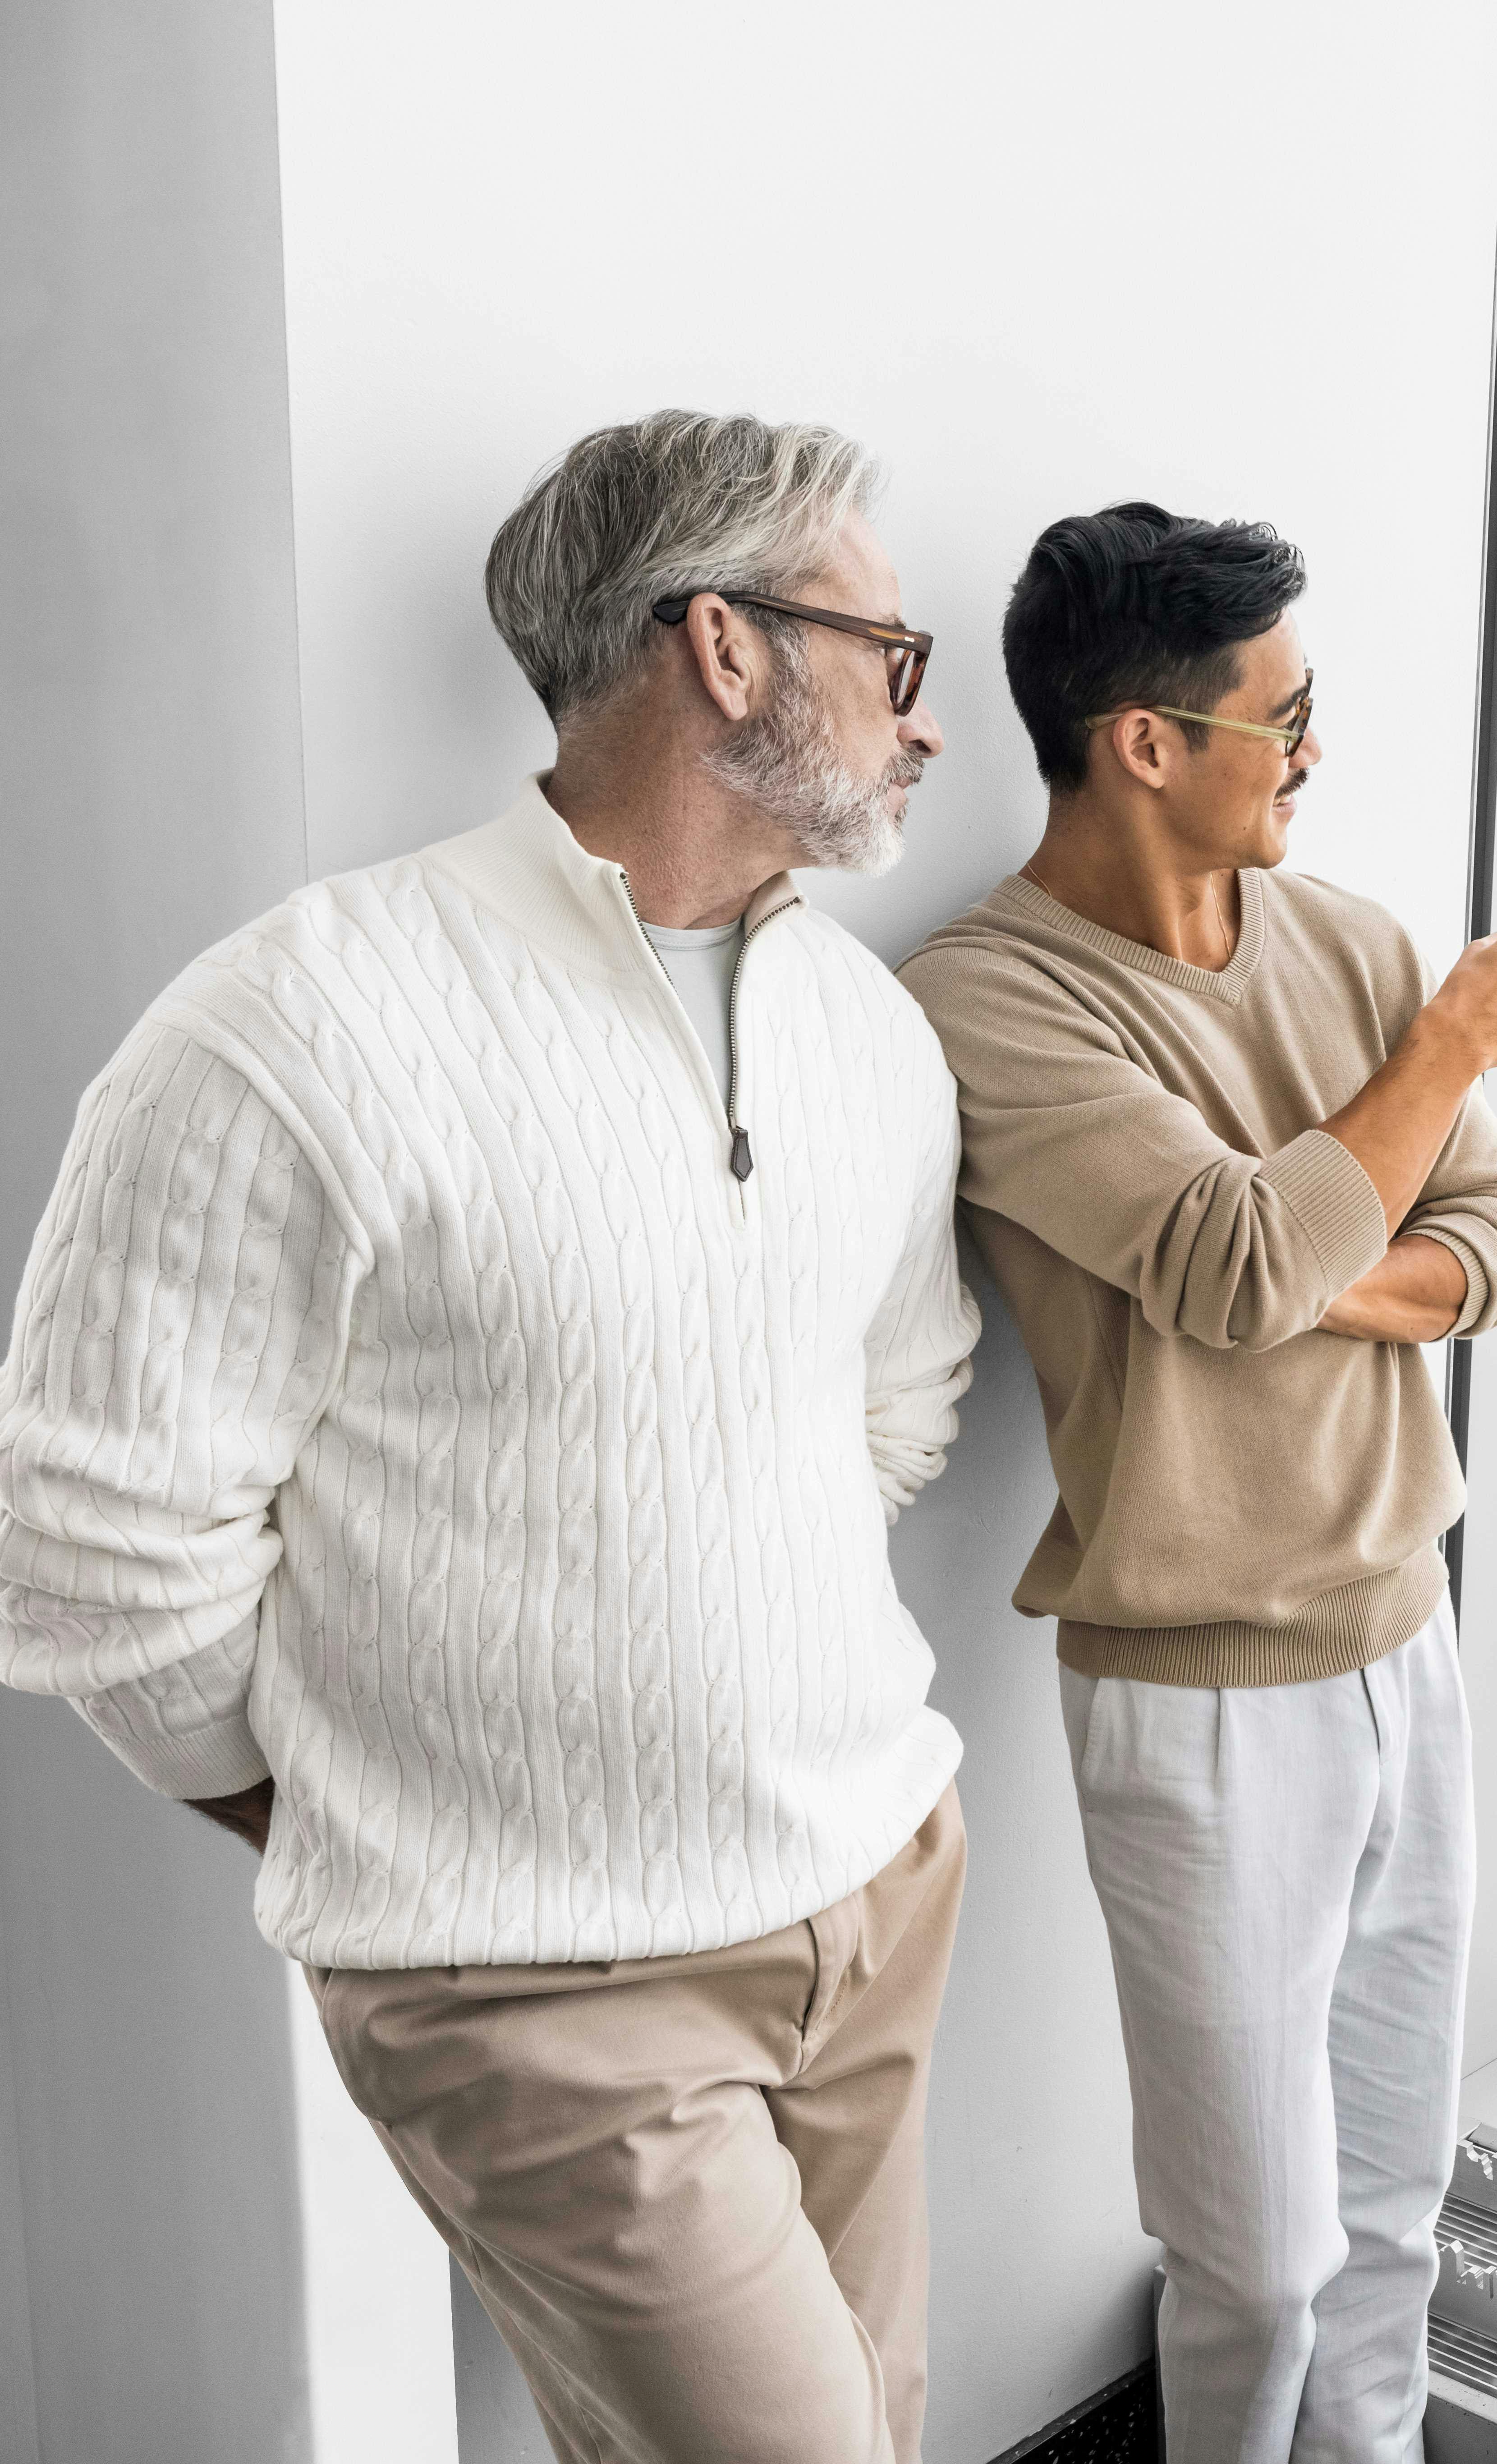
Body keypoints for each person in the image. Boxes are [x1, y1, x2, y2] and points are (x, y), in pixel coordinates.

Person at [0, 411, 983, 2464]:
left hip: (874, 1886)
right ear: (725, 648)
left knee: (879, 2430)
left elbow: (892, 1399)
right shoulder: (296, 1026)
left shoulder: (865, 1032)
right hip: (541, 1985)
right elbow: (94, 1552)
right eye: (890, 653)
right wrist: (376, 1829)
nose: (926, 717)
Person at [898, 503, 1497, 2464]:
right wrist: (1446, 1055)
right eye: (1282, 716)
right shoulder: (992, 1001)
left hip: (1411, 1640)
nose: (1313, 751)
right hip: (1196, 1694)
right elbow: (1224, 1266)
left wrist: (1308, 1246)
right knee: (1260, 2253)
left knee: (1395, 2207)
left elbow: (1495, 1245)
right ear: (1147, 741)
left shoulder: (1352, 941)